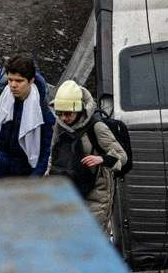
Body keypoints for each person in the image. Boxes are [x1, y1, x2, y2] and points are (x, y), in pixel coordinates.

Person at [47, 81, 129, 212]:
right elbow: (53, 155)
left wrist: (102, 159)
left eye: (68, 114)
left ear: (80, 109)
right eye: (59, 113)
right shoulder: (60, 126)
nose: (63, 118)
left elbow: (122, 157)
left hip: (96, 193)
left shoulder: (97, 127)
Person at [0, 60, 53, 178]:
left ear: (31, 81)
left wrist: (34, 179)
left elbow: (46, 150)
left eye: (19, 81)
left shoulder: (41, 111)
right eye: (10, 80)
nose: (13, 85)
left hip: (23, 174)